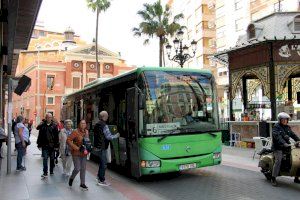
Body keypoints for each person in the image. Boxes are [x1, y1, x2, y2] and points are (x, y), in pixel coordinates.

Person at [271, 112, 300, 186]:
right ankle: (273, 178)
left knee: (296, 159)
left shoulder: (287, 127)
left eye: (286, 120)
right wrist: (283, 143)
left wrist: (298, 140)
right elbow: (277, 137)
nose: (284, 121)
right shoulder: (276, 127)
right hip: (278, 147)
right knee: (278, 160)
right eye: (283, 120)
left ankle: (296, 177)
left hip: (287, 146)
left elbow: (293, 134)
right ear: (280, 120)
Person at [93, 111, 120, 186]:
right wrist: (116, 135)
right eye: (107, 116)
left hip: (97, 146)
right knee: (104, 163)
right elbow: (109, 137)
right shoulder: (104, 125)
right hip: (103, 146)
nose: (108, 117)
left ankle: (99, 177)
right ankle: (101, 180)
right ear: (104, 117)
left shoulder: (97, 124)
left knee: (102, 162)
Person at [67, 119, 89, 190]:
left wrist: (88, 148)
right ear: (79, 124)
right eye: (82, 123)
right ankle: (71, 178)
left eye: (84, 123)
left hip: (84, 153)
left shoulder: (86, 132)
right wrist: (76, 148)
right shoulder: (75, 131)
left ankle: (82, 183)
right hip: (76, 152)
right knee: (77, 168)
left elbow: (87, 141)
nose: (83, 125)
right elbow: (68, 140)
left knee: (83, 169)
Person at [37, 113, 59, 178]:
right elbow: (38, 131)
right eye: (48, 117)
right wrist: (39, 144)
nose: (49, 118)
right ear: (46, 118)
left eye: (50, 117)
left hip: (52, 145)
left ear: (52, 118)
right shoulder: (42, 125)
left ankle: (51, 171)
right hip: (44, 145)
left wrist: (56, 146)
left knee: (52, 159)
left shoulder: (54, 126)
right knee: (45, 158)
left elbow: (56, 136)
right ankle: (45, 172)